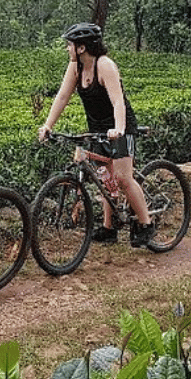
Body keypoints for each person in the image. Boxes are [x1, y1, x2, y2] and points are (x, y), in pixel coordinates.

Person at [37, 22, 156, 247]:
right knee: (104, 176)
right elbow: (62, 97)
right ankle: (109, 228)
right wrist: (48, 125)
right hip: (97, 128)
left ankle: (146, 223)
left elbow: (117, 100)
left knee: (122, 178)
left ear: (82, 48)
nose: (67, 49)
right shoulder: (76, 68)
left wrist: (119, 129)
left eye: (69, 45)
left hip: (120, 126)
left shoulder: (105, 65)